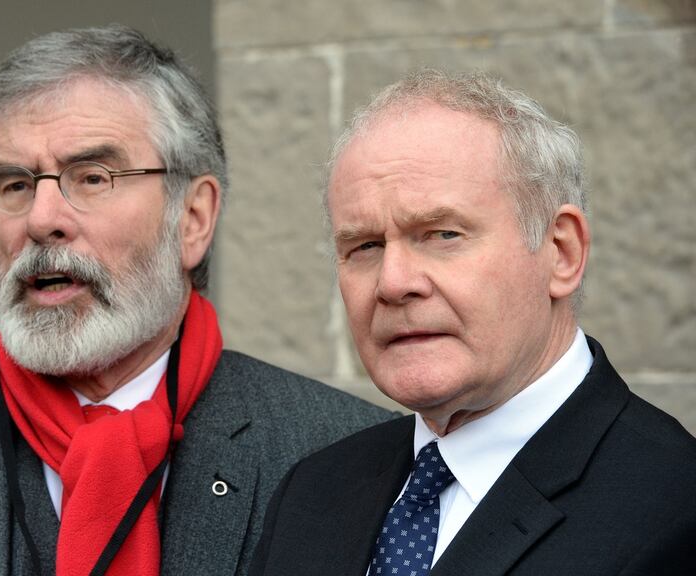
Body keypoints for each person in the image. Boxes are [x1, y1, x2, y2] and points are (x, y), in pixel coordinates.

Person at [0, 25, 394, 576]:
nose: (41, 218)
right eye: (13, 183)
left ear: (194, 218)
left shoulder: (343, 458)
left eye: (92, 178)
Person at [250, 69, 696, 576]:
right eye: (365, 246)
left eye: (442, 234)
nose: (393, 283)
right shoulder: (313, 491)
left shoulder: (675, 509)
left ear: (562, 253)